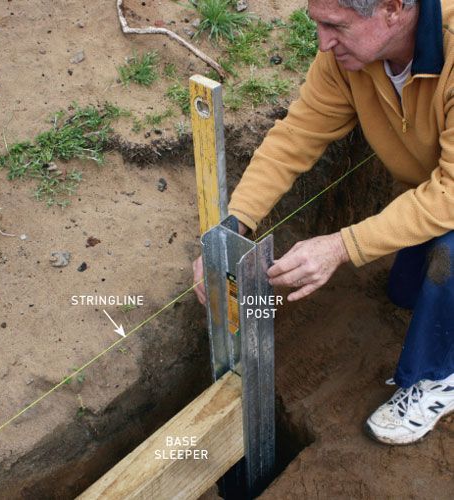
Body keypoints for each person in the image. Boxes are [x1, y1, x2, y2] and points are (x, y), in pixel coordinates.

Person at [193, 0, 454, 445]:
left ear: (392, 9)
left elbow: (450, 193)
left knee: (448, 259)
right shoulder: (348, 57)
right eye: (316, 23)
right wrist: (231, 228)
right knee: (407, 291)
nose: (322, 42)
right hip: (433, 184)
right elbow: (296, 135)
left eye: (335, 26)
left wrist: (341, 246)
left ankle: (437, 378)